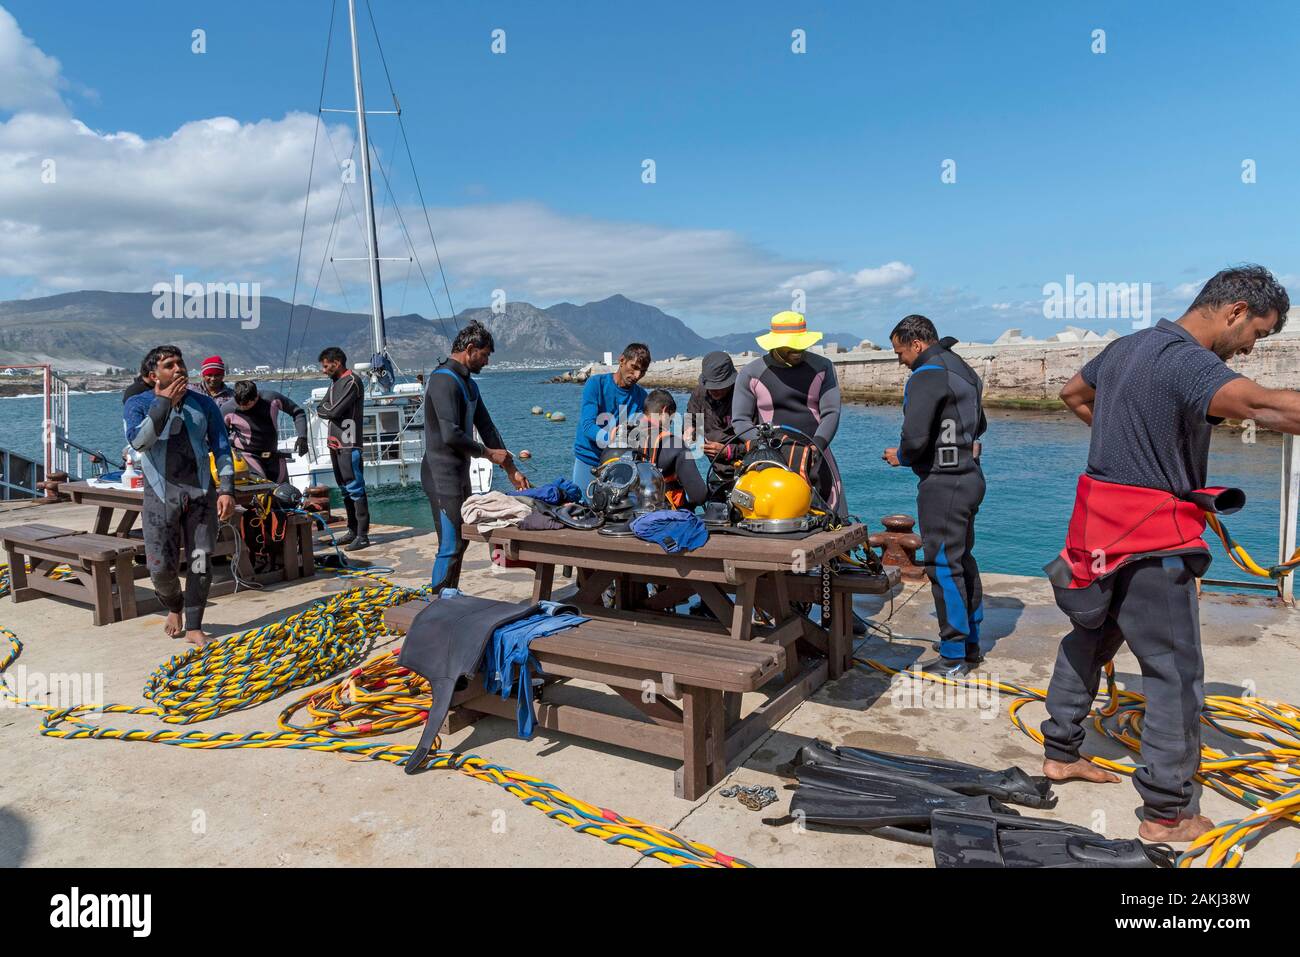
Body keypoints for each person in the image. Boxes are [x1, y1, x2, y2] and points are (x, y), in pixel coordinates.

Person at [1039, 264, 1300, 844]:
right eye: (1256, 333)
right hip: (1152, 540)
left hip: (1095, 528)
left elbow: (1073, 393)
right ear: (1233, 311)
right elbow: (1266, 410)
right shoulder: (1189, 360)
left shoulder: (1127, 348)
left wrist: (1128, 449)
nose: (1251, 349)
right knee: (1174, 673)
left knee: (1092, 637)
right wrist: (1152, 470)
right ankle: (1168, 813)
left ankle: (1060, 753)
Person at [882, 315, 988, 676]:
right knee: (962, 561)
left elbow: (913, 438)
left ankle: (953, 656)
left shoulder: (926, 376)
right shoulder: (963, 369)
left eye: (900, 352)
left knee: (942, 565)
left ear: (917, 344)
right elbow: (980, 425)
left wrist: (902, 456)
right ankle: (971, 644)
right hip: (969, 478)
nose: (900, 361)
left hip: (944, 483)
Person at [123, 345, 235, 647]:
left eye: (180, 363)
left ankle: (195, 625)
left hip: (200, 495)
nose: (179, 369)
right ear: (152, 375)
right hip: (160, 498)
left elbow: (222, 448)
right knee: (160, 569)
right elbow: (139, 442)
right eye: (169, 365)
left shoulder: (204, 404)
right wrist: (162, 403)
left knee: (200, 560)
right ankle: (174, 606)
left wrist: (226, 489)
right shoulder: (138, 403)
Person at [423, 321, 530, 590]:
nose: (486, 362)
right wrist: (486, 453)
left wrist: (511, 469)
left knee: (462, 539)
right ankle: (438, 605)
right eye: (484, 356)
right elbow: (450, 434)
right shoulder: (442, 380)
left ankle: (450, 596)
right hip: (439, 473)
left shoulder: (469, 384)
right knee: (449, 545)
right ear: (470, 349)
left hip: (458, 472)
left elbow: (487, 427)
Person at [731, 311, 846, 518]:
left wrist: (817, 446)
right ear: (775, 344)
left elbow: (831, 412)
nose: (797, 350)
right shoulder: (751, 373)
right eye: (790, 345)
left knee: (830, 517)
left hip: (817, 455)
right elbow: (740, 420)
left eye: (800, 344)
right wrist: (762, 446)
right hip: (772, 459)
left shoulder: (822, 367)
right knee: (773, 516)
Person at [572, 342, 651, 498]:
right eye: (634, 367)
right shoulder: (596, 384)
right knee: (583, 510)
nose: (637, 376)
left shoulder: (642, 396)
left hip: (620, 463)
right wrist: (610, 438)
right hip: (589, 458)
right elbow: (587, 426)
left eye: (642, 371)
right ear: (621, 360)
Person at [316, 346, 370, 551]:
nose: (324, 370)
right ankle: (352, 530)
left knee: (355, 487)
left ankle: (363, 535)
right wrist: (327, 411)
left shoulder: (352, 382)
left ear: (336, 363)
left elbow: (334, 411)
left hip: (349, 443)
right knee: (344, 489)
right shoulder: (334, 383)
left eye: (326, 366)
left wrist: (328, 411)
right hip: (335, 443)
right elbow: (322, 409)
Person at [220, 380, 309, 483]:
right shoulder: (227, 408)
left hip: (273, 456)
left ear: (256, 397)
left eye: (247, 404)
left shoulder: (271, 398)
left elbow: (297, 412)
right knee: (260, 494)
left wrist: (302, 437)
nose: (243, 407)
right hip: (247, 457)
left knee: (285, 494)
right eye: (240, 404)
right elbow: (220, 436)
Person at [637, 389, 708, 509]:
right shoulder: (676, 445)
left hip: (628, 513)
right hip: (665, 516)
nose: (670, 424)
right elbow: (699, 496)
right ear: (664, 410)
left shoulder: (623, 435)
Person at [685, 351, 738, 482]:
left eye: (720, 386)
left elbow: (756, 442)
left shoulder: (742, 394)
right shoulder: (699, 394)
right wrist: (689, 431)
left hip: (745, 469)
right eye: (711, 387)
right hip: (716, 471)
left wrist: (728, 451)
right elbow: (691, 421)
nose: (715, 390)